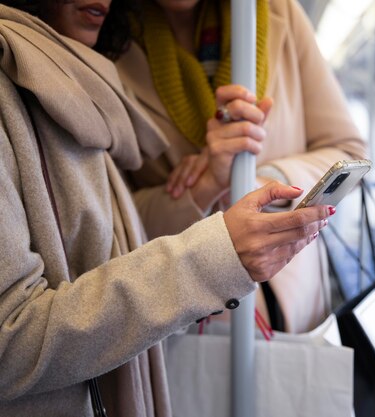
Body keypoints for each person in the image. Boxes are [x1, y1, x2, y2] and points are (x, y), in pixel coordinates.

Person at [0, 1, 331, 416]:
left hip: (285, 296)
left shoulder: (82, 69)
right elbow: (122, 237)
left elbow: (111, 232)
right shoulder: (104, 56)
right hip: (173, 325)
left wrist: (256, 180)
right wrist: (213, 241)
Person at [114, 0, 368, 333]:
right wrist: (203, 186)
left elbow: (348, 151)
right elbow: (113, 225)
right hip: (189, 315)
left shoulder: (281, 13)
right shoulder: (109, 44)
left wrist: (260, 184)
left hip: (293, 295)